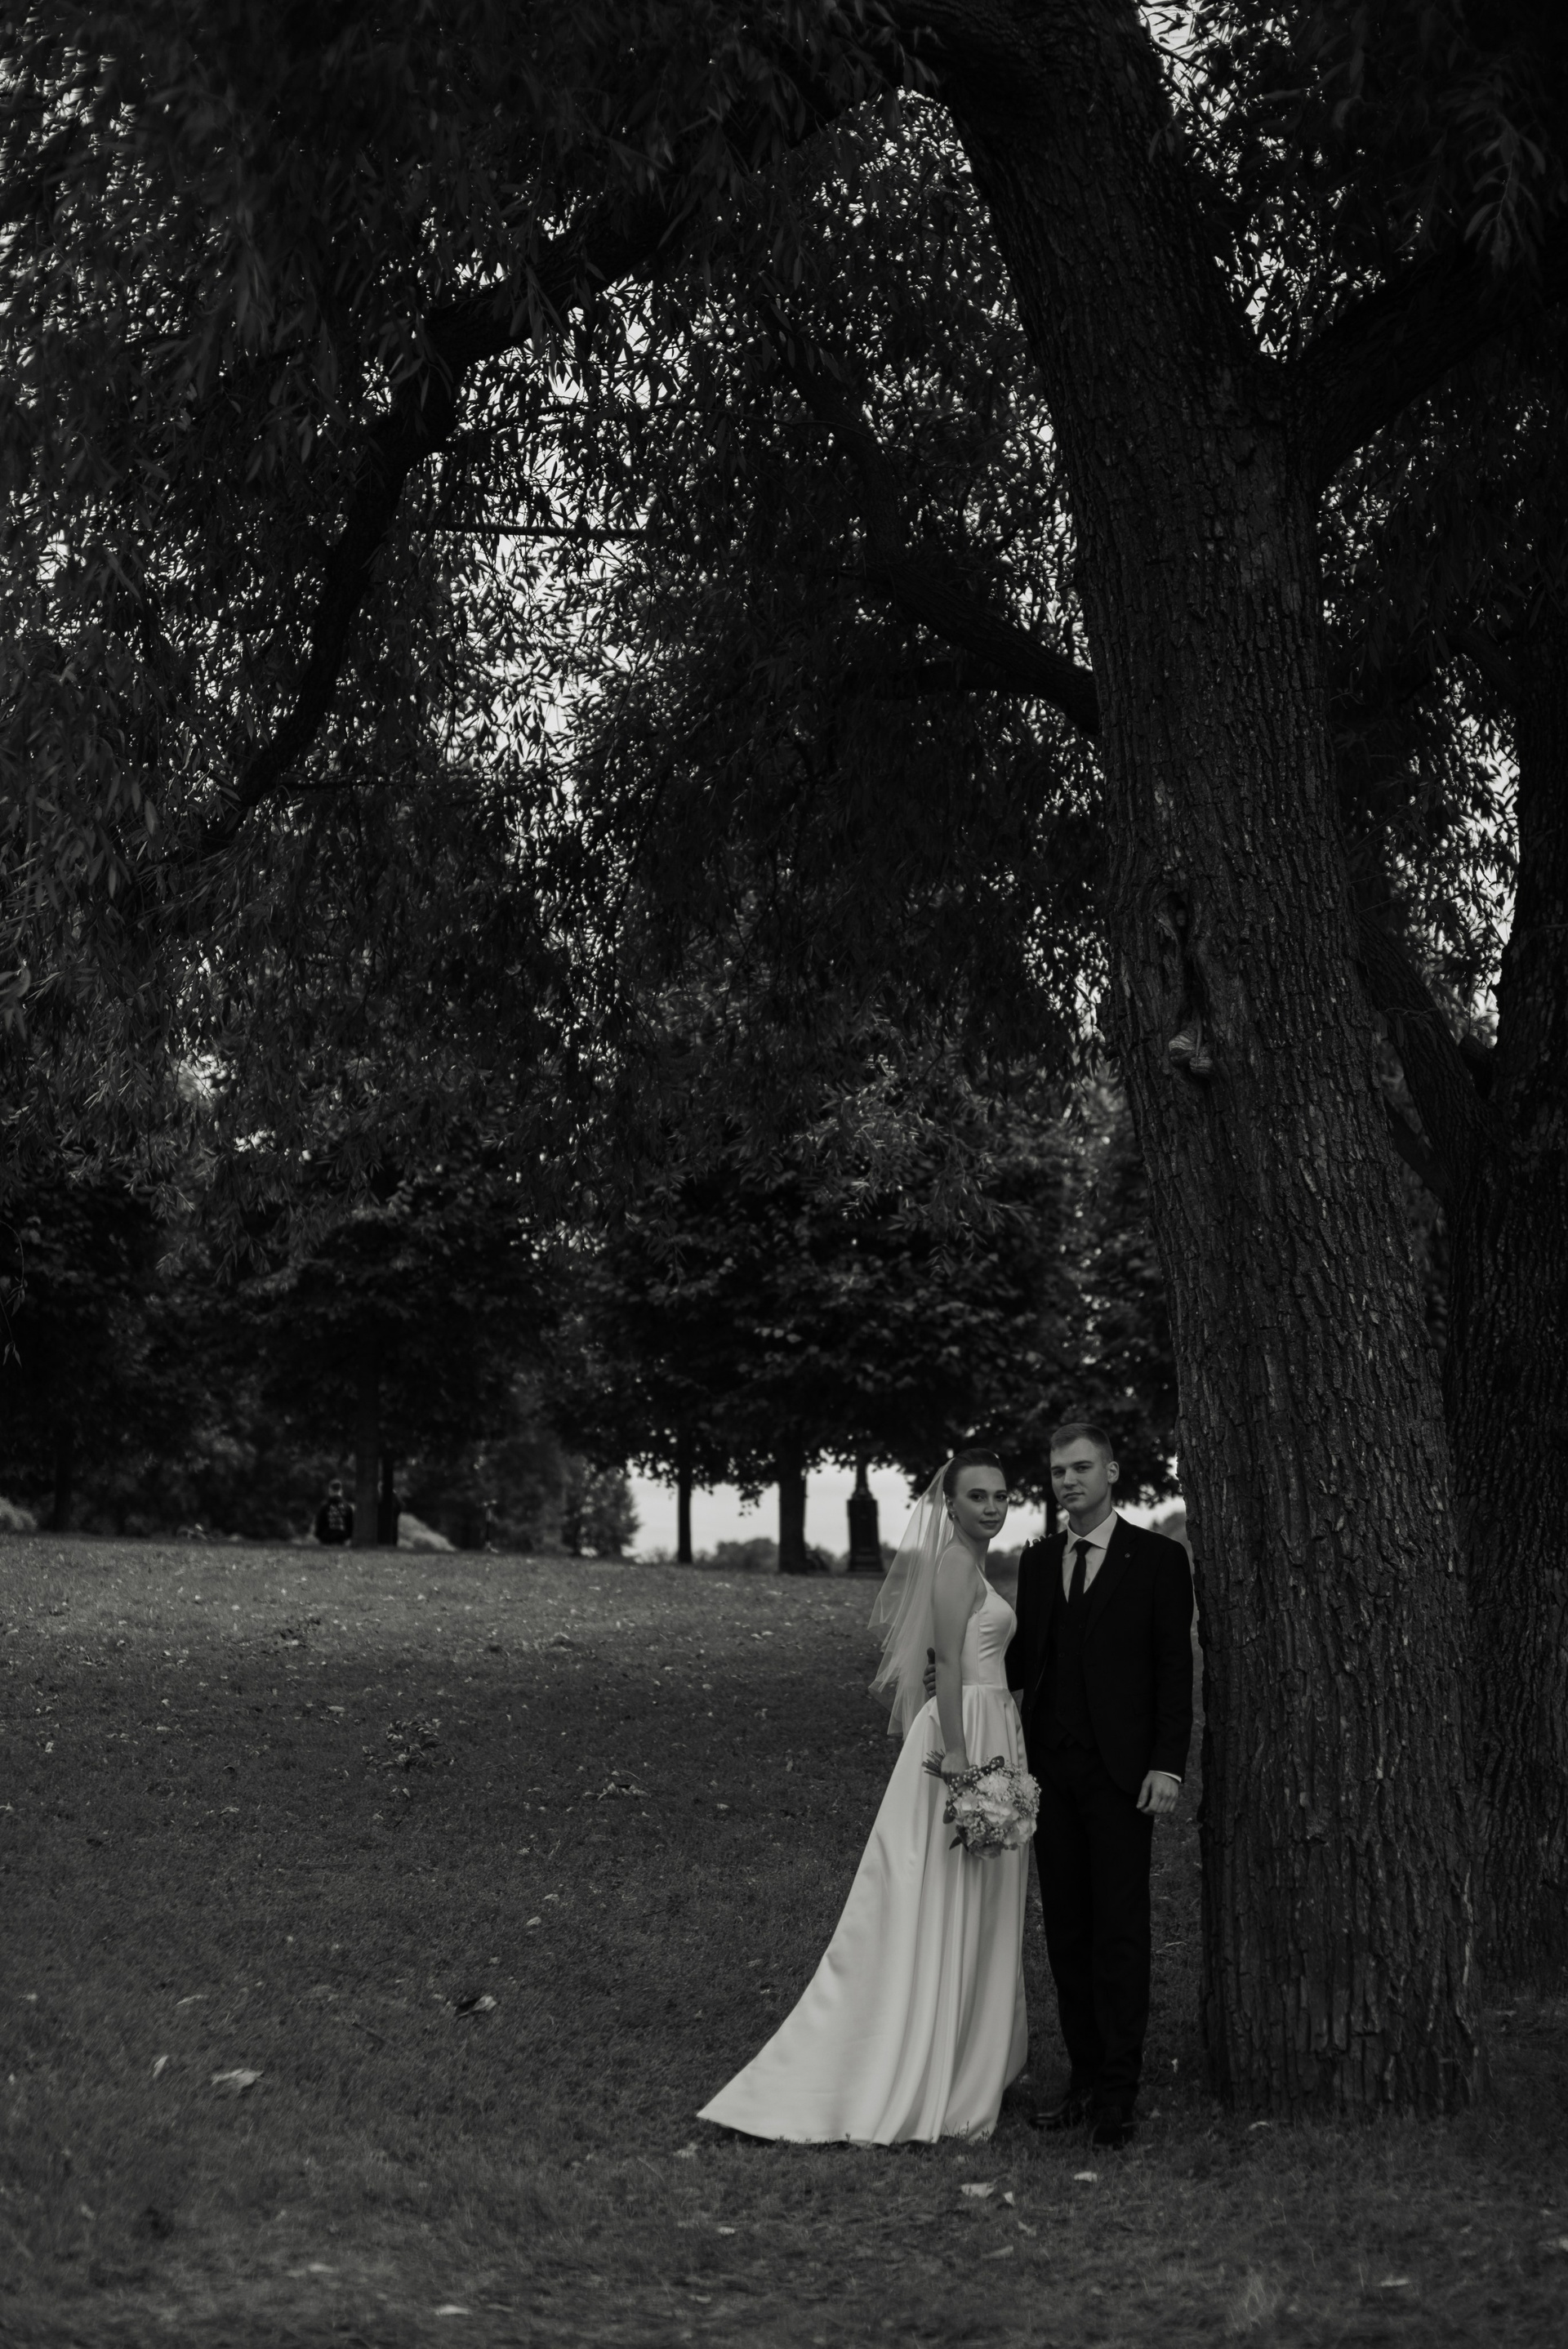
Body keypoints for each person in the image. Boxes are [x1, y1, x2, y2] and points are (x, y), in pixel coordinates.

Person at [696, 1450, 1030, 2145]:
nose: (993, 1507)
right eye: (978, 1496)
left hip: (991, 1728)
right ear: (950, 1505)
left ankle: (965, 2058)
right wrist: (962, 1763)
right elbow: (946, 1665)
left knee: (978, 1901)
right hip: (966, 1738)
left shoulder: (974, 1565)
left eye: (1001, 1495)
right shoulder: (954, 1565)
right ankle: (920, 2064)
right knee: (943, 1897)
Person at [1008, 1422, 1193, 2149]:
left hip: (1121, 1776)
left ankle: (1119, 2093)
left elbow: (1173, 1668)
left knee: (1119, 1931)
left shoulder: (1158, 1559)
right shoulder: (1038, 1561)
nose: (1068, 1481)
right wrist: (955, 1662)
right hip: (1049, 1774)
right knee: (1067, 1931)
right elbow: (1028, 1655)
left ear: (1111, 1473)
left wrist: (1167, 1764)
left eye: (1082, 1468)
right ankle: (1083, 2081)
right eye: (1059, 1471)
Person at [314, 1479, 354, 1546]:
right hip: (342, 1539)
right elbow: (350, 1525)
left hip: (326, 1539)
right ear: (341, 1491)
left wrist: (318, 1536)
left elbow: (319, 1523)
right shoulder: (347, 1507)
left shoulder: (324, 1506)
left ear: (330, 1491)